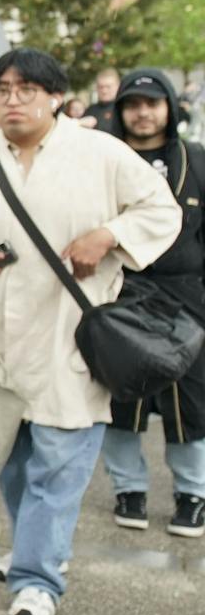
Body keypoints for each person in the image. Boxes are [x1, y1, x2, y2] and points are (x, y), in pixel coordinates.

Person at [0, 48, 180, 615]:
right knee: (12, 461)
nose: (12, 100)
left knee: (59, 462)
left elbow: (161, 211)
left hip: (70, 333)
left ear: (55, 97)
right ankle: (35, 545)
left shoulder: (100, 153)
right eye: (2, 90)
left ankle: (38, 581)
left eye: (26, 89)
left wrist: (108, 235)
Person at [100, 69, 205, 539]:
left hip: (187, 297)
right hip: (123, 292)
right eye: (133, 104)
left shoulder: (196, 159)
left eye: (152, 103)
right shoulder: (104, 160)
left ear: (169, 107)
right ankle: (130, 490)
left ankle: (193, 494)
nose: (143, 113)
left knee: (192, 402)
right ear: (120, 111)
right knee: (122, 399)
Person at [85, 67, 121, 134]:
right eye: (100, 87)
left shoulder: (122, 109)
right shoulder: (90, 110)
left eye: (108, 87)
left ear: (118, 86)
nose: (104, 91)